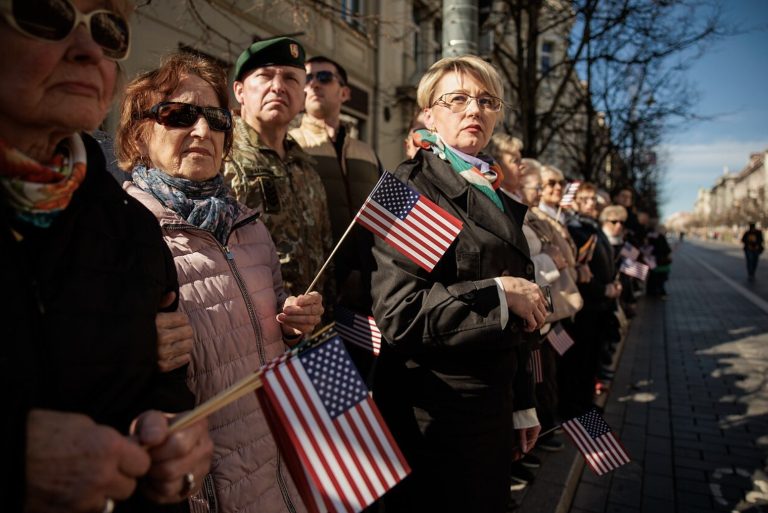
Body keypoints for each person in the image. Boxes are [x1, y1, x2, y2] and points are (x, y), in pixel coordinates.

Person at [0, 2, 212, 512]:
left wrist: (175, 452)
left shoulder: (131, 230)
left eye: (108, 31)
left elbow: (163, 391)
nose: (88, 50)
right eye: (46, 15)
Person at [117, 52, 324, 513]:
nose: (202, 130)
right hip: (206, 487)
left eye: (214, 118)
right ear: (138, 133)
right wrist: (132, 345)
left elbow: (267, 323)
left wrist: (291, 322)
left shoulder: (248, 225)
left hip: (278, 465)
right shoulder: (122, 233)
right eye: (178, 115)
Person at [370, 55, 548, 513]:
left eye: (487, 101)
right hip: (437, 417)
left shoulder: (494, 191)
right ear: (428, 113)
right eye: (458, 99)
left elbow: (524, 312)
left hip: (492, 405)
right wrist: (499, 292)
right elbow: (401, 312)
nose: (475, 110)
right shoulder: (409, 187)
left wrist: (523, 402)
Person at [224, 37, 333, 299]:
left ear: (302, 96)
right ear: (239, 91)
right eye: (265, 76)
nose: (278, 87)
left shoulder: (306, 166)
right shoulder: (221, 156)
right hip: (251, 326)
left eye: (290, 79)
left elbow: (325, 249)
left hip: (312, 326)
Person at [289, 55, 380, 370]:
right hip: (317, 297)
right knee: (325, 397)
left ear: (344, 92)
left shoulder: (367, 152)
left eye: (324, 77)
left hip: (369, 294)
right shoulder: (292, 146)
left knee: (368, 391)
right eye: (307, 78)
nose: (313, 84)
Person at [562, 183, 621, 418]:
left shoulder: (592, 227)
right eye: (585, 200)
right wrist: (602, 289)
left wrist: (612, 284)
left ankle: (586, 400)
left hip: (599, 307)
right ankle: (576, 407)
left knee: (592, 359)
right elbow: (580, 271)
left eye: (593, 200)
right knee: (580, 361)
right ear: (575, 201)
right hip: (585, 307)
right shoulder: (575, 229)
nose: (591, 204)